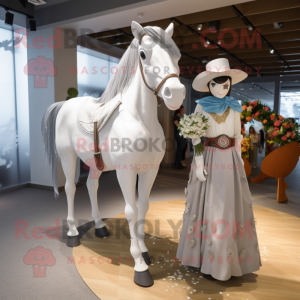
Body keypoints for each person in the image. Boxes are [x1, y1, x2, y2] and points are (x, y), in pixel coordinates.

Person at [176, 58, 261, 281]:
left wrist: (241, 158)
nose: (222, 89)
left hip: (230, 159)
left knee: (229, 207)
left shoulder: (235, 106)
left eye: (226, 85)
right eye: (216, 84)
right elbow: (196, 135)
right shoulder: (202, 105)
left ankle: (227, 261)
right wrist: (199, 162)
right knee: (211, 205)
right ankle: (208, 258)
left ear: (230, 85)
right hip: (210, 156)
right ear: (209, 85)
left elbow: (238, 134)